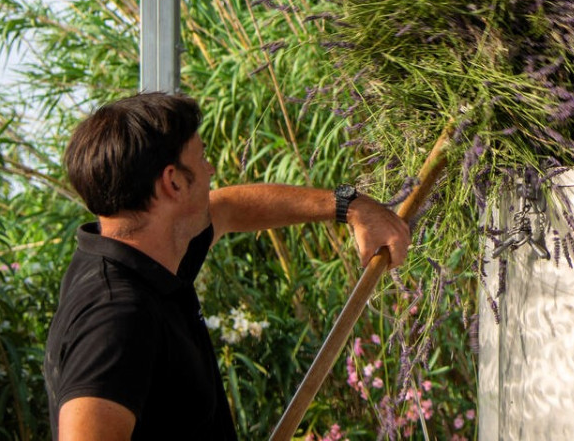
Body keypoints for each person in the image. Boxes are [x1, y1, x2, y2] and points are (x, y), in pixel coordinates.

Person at [43, 92, 410, 440]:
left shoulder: (148, 253)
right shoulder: (117, 314)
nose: (211, 169)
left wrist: (347, 206)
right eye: (202, 159)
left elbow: (229, 208)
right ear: (173, 182)